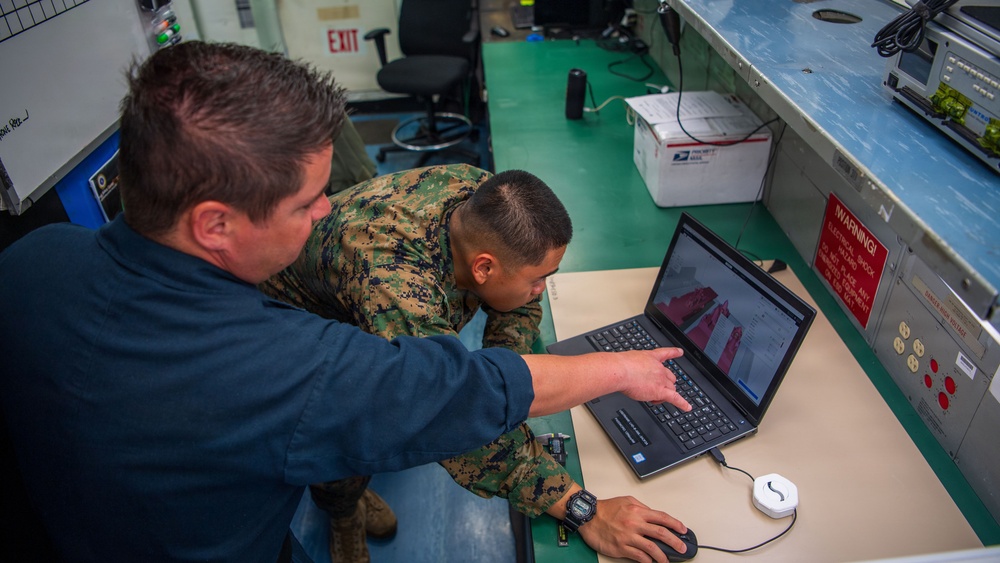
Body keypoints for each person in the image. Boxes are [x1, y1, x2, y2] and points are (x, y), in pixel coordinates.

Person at [0, 42, 692, 562]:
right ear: (215, 224)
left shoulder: (32, 260)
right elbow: (446, 401)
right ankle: (342, 508)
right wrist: (582, 489)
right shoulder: (286, 365)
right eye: (306, 203)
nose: (329, 208)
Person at [261, 164, 693, 563]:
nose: (542, 290)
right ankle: (341, 508)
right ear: (484, 267)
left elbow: (517, 302)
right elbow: (446, 410)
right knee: (350, 422)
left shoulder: (491, 205)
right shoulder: (396, 285)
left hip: (364, 293)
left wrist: (509, 374)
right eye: (537, 278)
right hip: (299, 330)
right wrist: (580, 508)